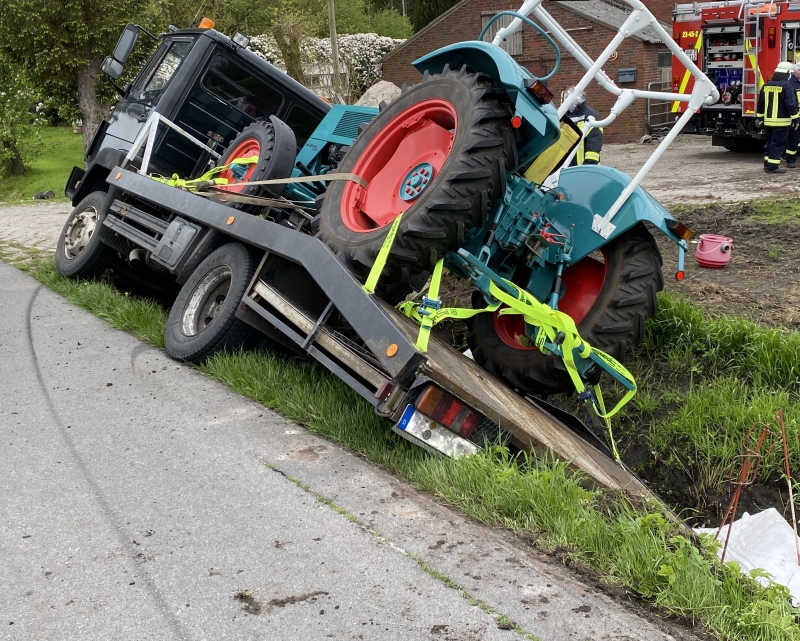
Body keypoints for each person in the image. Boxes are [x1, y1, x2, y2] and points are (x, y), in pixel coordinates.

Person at [756, 61, 799, 173]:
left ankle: (767, 164)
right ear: (787, 73)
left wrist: (760, 118)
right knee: (778, 144)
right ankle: (773, 167)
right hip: (782, 122)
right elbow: (791, 104)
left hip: (768, 122)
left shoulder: (766, 85)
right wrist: (796, 119)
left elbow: (761, 104)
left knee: (770, 143)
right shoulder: (787, 86)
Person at [560, 86, 603, 166]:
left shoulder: (591, 116)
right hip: (565, 169)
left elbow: (593, 147)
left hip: (583, 168)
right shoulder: (563, 116)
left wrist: (588, 168)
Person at [784, 64, 800, 168]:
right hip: (796, 116)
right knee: (793, 139)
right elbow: (789, 100)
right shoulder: (790, 84)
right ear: (795, 71)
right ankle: (790, 160)